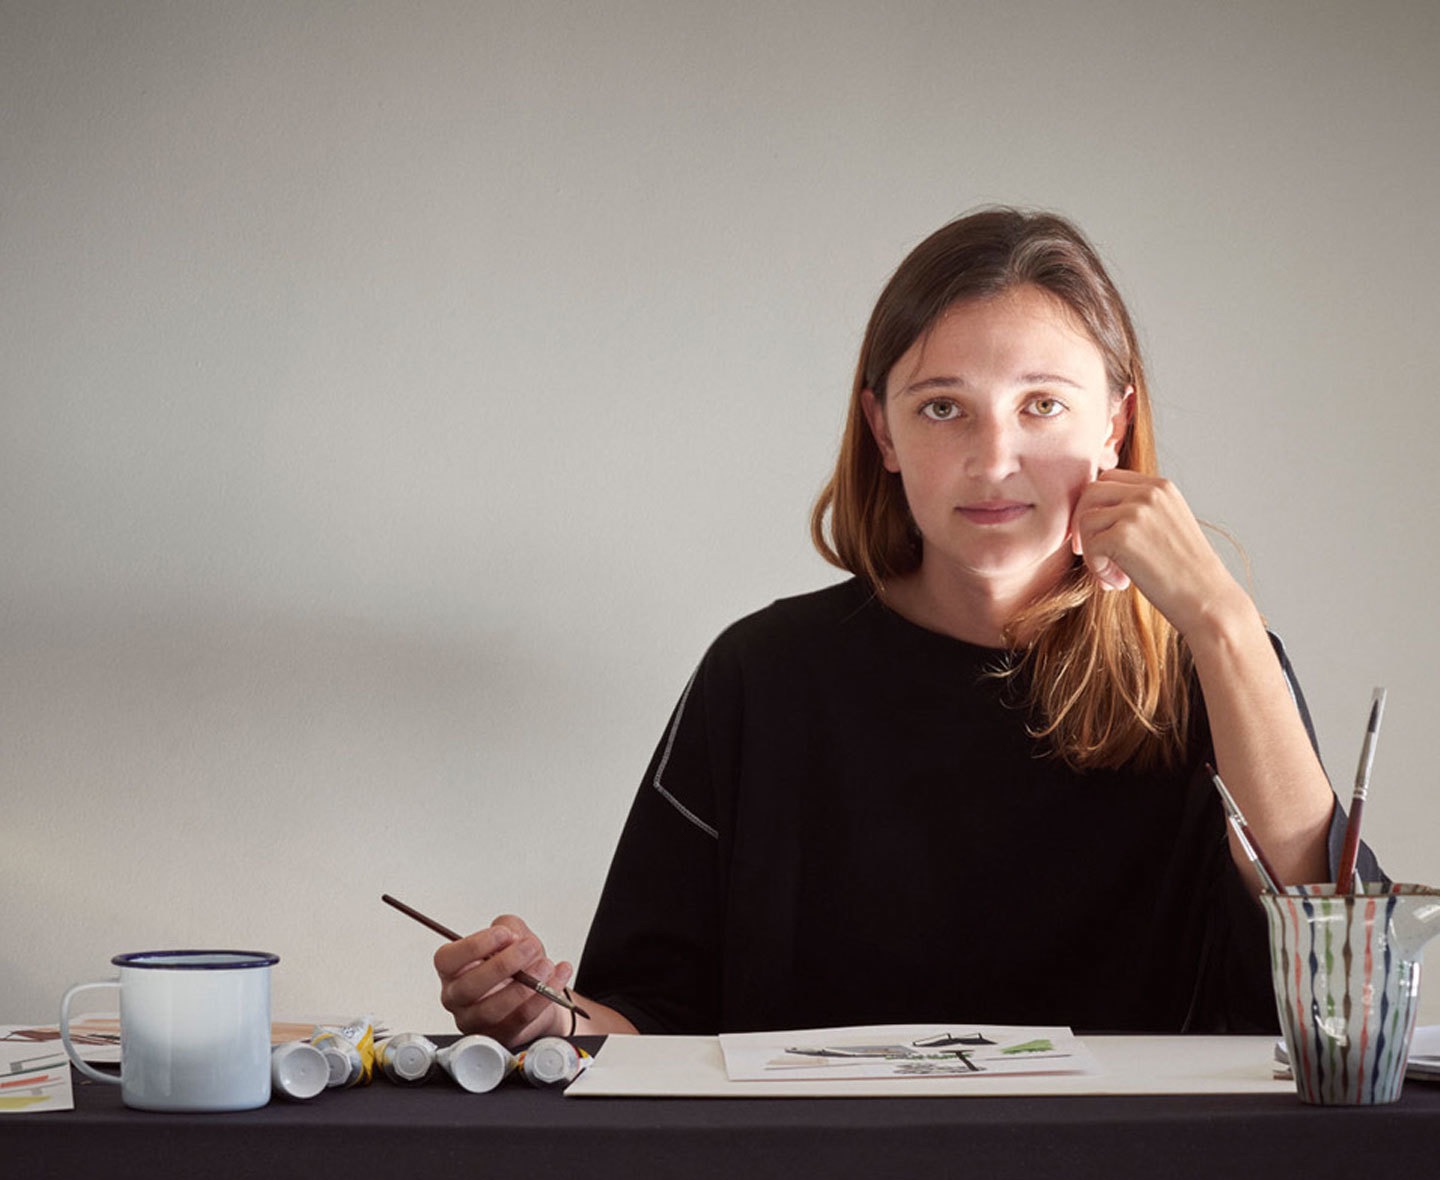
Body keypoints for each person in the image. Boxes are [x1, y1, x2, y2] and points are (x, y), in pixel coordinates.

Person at [434, 207, 1383, 1046]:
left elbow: (1347, 987)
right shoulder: (761, 676)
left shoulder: (1212, 666)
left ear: (1114, 424)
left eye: (1042, 404)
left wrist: (1221, 617)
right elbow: (644, 1021)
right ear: (883, 432)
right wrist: (545, 1018)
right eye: (942, 408)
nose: (993, 459)